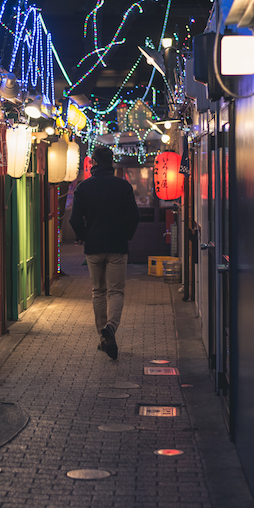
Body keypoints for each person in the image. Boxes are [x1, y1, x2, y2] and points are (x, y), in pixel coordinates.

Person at [69, 146, 140, 360]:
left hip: (94, 246)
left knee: (98, 291)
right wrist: (126, 235)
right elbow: (134, 217)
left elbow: (74, 219)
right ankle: (110, 328)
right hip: (117, 246)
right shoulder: (123, 186)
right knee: (116, 292)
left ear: (95, 163)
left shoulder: (84, 187)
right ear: (112, 163)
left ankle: (103, 337)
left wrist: (84, 236)